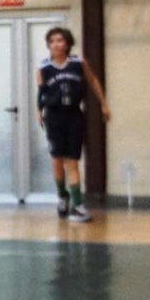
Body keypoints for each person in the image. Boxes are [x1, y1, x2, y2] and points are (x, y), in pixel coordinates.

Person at [37, 26, 111, 223]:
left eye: (60, 40)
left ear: (67, 43)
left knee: (72, 160)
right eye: (52, 41)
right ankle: (62, 196)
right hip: (53, 116)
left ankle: (77, 205)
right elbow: (41, 92)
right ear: (48, 45)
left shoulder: (78, 62)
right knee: (57, 160)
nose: (56, 44)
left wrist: (103, 103)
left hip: (73, 115)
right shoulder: (43, 67)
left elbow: (93, 81)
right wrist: (39, 111)